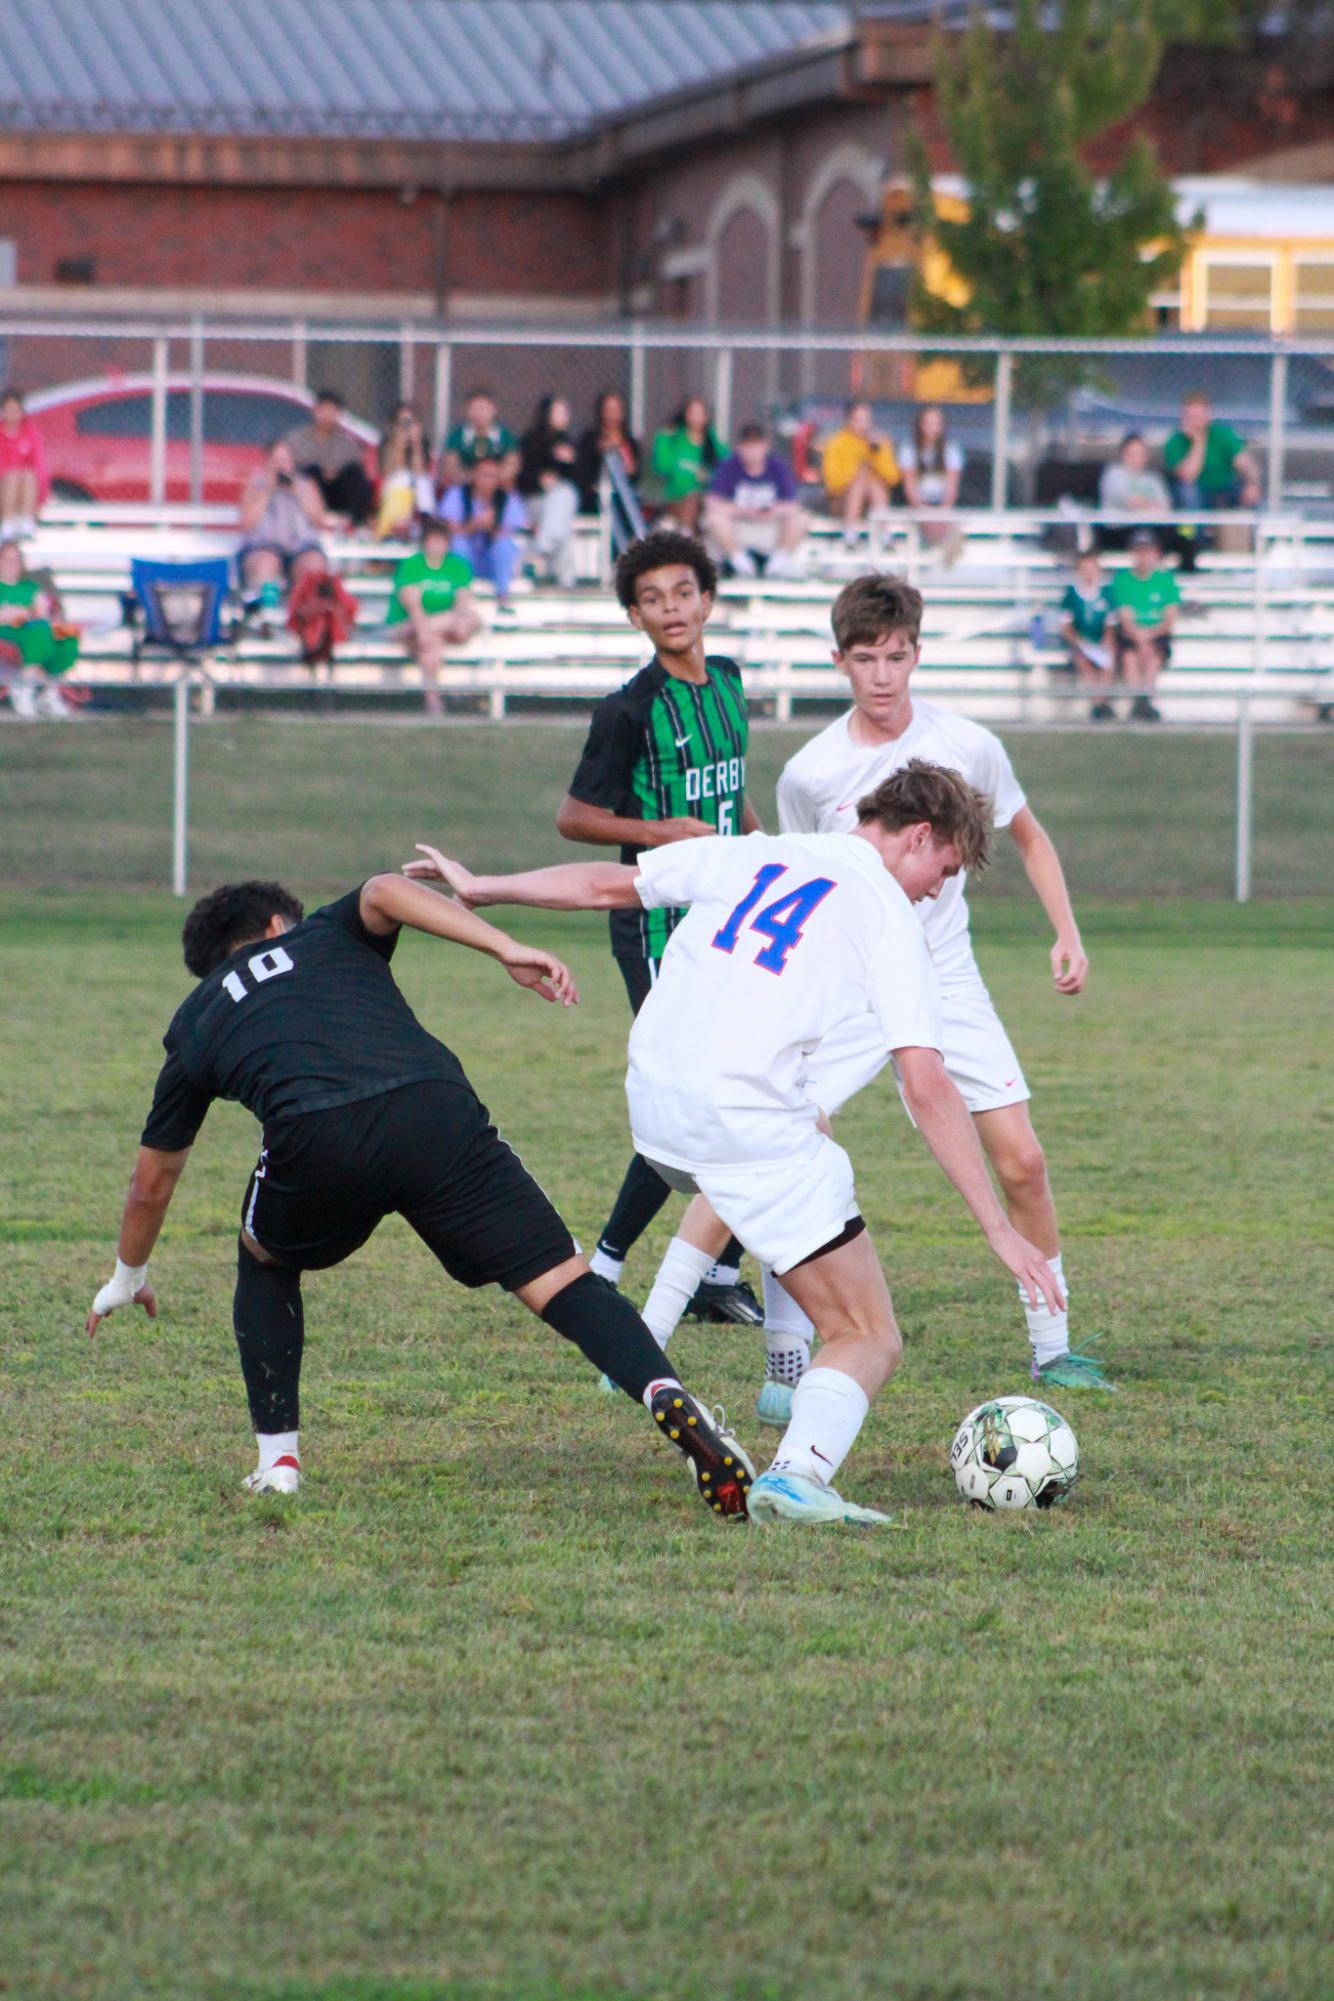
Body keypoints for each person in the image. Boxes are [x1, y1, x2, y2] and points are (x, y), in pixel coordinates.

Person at [406, 760, 1062, 1527]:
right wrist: (999, 1231)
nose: (935, 890)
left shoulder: (754, 849)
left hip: (654, 1108)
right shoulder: (888, 911)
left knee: (790, 1165)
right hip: (740, 1121)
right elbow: (926, 1084)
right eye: (944, 871)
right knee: (868, 1332)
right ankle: (798, 1473)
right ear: (920, 836)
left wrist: (482, 886)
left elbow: (603, 886)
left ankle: (752, 1342)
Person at [85, 875, 752, 1520]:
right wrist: (505, 946)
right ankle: (667, 1391)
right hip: (432, 1105)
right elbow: (383, 889)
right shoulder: (326, 934)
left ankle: (278, 1464)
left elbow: (154, 1179)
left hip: (318, 1135)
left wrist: (128, 1275)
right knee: (563, 1283)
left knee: (264, 1255)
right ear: (276, 925)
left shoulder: (198, 1014)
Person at [762, 573, 1110, 1416]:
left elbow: (1027, 836)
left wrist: (1066, 929)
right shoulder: (810, 774)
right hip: (844, 980)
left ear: (918, 651)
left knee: (1021, 1158)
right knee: (786, 1142)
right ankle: (783, 1360)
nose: (883, 675)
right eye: (866, 659)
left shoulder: (970, 744)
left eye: (898, 656)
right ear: (839, 659)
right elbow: (797, 881)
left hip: (944, 974)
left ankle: (1052, 1349)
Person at [554, 527, 763, 1328]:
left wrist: (760, 852)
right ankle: (606, 1267)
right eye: (652, 599)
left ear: (707, 599)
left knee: (737, 1090)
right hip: (655, 927)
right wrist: (659, 832)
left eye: (683, 592)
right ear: (634, 616)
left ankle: (711, 1271)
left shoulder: (732, 682)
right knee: (691, 1097)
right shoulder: (629, 708)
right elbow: (575, 819)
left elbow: (733, 792)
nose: (671, 609)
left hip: (728, 917)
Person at [385, 517, 482, 718]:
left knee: (468, 619)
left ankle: (432, 701)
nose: (437, 546)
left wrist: (451, 621)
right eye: (433, 540)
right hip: (409, 624)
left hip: (441, 627)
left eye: (441, 540)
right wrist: (426, 629)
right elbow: (412, 604)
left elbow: (463, 599)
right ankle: (433, 699)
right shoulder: (412, 565)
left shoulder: (457, 565)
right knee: (430, 642)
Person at [704, 424, 808, 579]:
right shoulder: (728, 466)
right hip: (739, 526)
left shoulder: (778, 467)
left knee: (801, 518)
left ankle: (778, 563)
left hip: (771, 526)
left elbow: (793, 504)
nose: (752, 450)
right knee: (715, 519)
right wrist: (742, 510)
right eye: (748, 445)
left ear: (765, 446)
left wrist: (773, 511)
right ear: (740, 447)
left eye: (756, 445)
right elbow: (711, 502)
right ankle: (739, 562)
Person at [236, 440, 327, 600]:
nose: (281, 466)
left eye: (285, 461)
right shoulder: (255, 485)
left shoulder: (305, 485)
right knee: (265, 563)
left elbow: (318, 520)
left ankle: (308, 612)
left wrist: (298, 492)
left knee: (313, 565)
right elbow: (247, 523)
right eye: (277, 461)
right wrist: (267, 490)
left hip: (301, 547)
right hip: (263, 546)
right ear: (268, 462)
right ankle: (267, 610)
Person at [0, 536, 80, 717]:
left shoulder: (31, 587)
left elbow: (43, 613)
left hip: (34, 627)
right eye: (7, 559)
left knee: (68, 633)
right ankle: (24, 687)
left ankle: (49, 690)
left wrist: (33, 613)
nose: (12, 564)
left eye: (16, 559)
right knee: (40, 631)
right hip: (7, 631)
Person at [1109, 527, 1179, 722]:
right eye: (1139, 551)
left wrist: (1148, 635)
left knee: (1153, 655)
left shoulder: (1165, 580)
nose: (1143, 556)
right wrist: (1140, 637)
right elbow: (1126, 618)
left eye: (1147, 551)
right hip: (1132, 635)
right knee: (1130, 656)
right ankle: (1138, 703)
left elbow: (1169, 618)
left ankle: (1144, 701)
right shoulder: (1123, 580)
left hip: (1156, 634)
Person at [1097, 432, 1193, 571]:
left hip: (1153, 527)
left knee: (1185, 539)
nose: (1137, 458)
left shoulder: (1154, 479)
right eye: (1132, 453)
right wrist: (1150, 506)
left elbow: (1166, 507)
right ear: (1123, 454)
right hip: (1122, 530)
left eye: (1141, 454)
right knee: (1144, 538)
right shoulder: (1113, 474)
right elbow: (1130, 501)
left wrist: (1146, 506)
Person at [441, 455, 527, 607]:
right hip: (467, 556)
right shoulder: (458, 493)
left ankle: (503, 596)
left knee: (505, 544)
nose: (488, 480)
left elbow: (512, 532)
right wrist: (475, 524)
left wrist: (492, 526)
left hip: (492, 560)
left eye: (492, 476)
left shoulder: (508, 498)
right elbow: (448, 528)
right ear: (474, 475)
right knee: (458, 542)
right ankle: (462, 595)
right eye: (484, 475)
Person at [284, 389, 375, 529]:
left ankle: (356, 524)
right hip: (309, 496)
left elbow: (353, 471)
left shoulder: (347, 443)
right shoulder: (297, 439)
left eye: (332, 412)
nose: (327, 416)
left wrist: (333, 473)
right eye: (323, 411)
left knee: (354, 473)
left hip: (337, 494)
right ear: (314, 411)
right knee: (311, 472)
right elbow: (292, 469)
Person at [1163, 392, 1261, 519]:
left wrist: (1252, 484)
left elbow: (1244, 463)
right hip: (1197, 492)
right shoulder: (1174, 442)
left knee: (1249, 494)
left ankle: (1251, 536)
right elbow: (1188, 476)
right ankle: (1194, 537)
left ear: (1208, 416)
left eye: (1199, 416)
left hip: (1224, 487)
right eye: (1191, 417)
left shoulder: (1222, 434)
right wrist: (1198, 442)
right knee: (1188, 492)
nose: (1195, 422)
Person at [517, 395, 581, 587]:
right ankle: (563, 577)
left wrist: (570, 463)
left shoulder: (568, 444)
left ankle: (540, 550)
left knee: (564, 495)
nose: (565, 416)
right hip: (534, 502)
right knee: (562, 521)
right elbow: (522, 479)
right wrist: (540, 481)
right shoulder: (530, 441)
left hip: (559, 505)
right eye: (560, 411)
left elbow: (580, 482)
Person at [821, 400, 900, 544]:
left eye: (866, 420)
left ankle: (883, 533)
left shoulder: (879, 444)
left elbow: (893, 478)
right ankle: (850, 533)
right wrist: (857, 474)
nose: (863, 425)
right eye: (858, 420)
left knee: (874, 483)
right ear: (848, 420)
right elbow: (832, 484)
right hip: (841, 501)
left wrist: (876, 454)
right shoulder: (836, 444)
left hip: (872, 500)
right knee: (860, 482)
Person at [1057, 549, 1119, 720]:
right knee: (1082, 660)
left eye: (1093, 568)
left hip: (1098, 643)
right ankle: (1099, 704)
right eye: (1085, 568)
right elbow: (1066, 627)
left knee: (1109, 657)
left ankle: (1100, 703)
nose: (1089, 573)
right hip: (1079, 643)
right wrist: (1081, 643)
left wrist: (1105, 643)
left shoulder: (1106, 593)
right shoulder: (1071, 594)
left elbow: (1110, 625)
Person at [651, 397, 725, 536]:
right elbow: (661, 467)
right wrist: (664, 441)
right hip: (674, 499)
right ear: (685, 414)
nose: (696, 418)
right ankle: (687, 536)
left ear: (706, 417)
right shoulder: (671, 437)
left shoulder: (712, 442)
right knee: (692, 498)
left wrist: (708, 476)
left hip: (706, 501)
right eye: (692, 413)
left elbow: (726, 469)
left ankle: (689, 535)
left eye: (700, 414)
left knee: (699, 501)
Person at [899, 405, 964, 548]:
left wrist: (941, 511)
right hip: (918, 505)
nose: (931, 427)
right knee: (927, 524)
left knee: (945, 526)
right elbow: (909, 488)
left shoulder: (951, 449)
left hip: (942, 505)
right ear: (920, 424)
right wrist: (924, 510)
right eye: (928, 422)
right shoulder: (909, 448)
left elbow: (952, 488)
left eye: (936, 423)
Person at [440, 388, 520, 493]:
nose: (480, 413)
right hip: (464, 488)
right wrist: (476, 480)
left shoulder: (505, 436)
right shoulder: (457, 436)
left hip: (497, 489)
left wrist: (490, 481)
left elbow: (511, 466)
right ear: (467, 411)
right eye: (475, 408)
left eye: (484, 408)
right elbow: (451, 467)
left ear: (494, 410)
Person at [374, 403, 434, 542]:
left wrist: (416, 444)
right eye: (402, 422)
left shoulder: (423, 443)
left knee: (422, 480)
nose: (406, 426)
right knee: (402, 477)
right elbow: (388, 472)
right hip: (393, 487)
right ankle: (393, 528)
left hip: (415, 489)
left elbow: (420, 471)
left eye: (410, 421)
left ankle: (426, 518)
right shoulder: (386, 443)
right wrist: (398, 445)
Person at [574, 391, 641, 514]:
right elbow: (583, 472)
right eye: (608, 409)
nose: (611, 414)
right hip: (595, 495)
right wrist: (598, 451)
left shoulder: (629, 442)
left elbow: (634, 475)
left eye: (615, 409)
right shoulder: (590, 439)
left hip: (622, 496)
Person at [0, 389, 49, 540]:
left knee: (28, 476)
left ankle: (26, 524)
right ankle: (6, 525)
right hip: (3, 485)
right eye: (8, 410)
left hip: (24, 488)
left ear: (22, 413)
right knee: (12, 478)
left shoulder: (31, 434)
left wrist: (42, 496)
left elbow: (39, 466)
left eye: (16, 410)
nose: (12, 415)